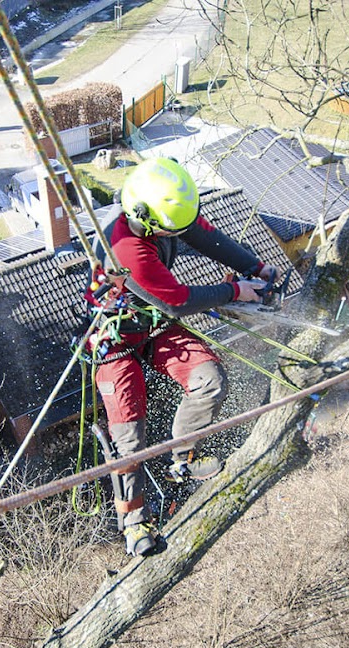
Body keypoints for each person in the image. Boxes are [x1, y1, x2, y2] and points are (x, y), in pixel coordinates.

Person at [87, 157, 279, 556]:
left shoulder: (162, 207)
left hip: (152, 321)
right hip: (117, 337)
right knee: (129, 441)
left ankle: (182, 458)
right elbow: (177, 302)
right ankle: (134, 523)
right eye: (174, 228)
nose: (181, 231)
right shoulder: (126, 248)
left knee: (209, 380)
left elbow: (203, 236)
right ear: (148, 220)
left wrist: (254, 266)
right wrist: (235, 292)